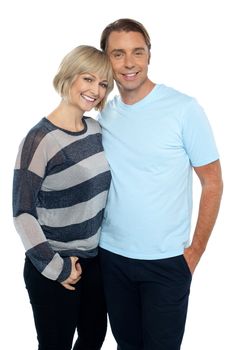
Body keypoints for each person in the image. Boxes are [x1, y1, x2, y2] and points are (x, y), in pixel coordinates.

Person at [98, 18, 223, 350]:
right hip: (112, 257)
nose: (129, 64)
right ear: (106, 60)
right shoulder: (104, 114)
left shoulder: (183, 109)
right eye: (118, 54)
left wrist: (195, 252)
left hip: (167, 263)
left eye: (137, 52)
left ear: (149, 56)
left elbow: (213, 183)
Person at [12, 45, 114, 350]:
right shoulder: (39, 139)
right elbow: (23, 212)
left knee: (94, 338)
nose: (95, 90)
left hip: (93, 262)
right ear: (69, 77)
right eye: (88, 79)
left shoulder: (95, 130)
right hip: (53, 264)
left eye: (103, 84)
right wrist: (57, 268)